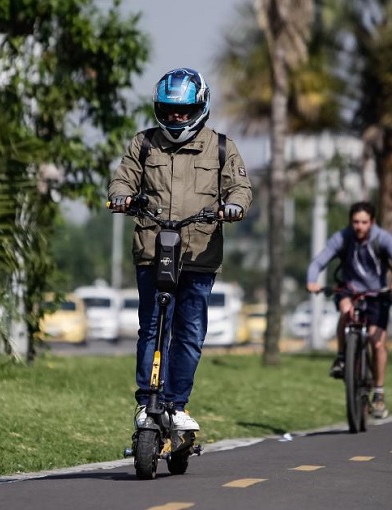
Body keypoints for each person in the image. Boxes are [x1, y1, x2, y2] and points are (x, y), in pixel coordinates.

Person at [108, 68, 253, 432]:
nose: (176, 118)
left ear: (200, 107)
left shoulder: (220, 146)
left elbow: (240, 188)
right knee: (152, 327)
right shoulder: (143, 143)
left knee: (189, 333)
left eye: (184, 111)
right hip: (153, 251)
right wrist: (121, 197)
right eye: (170, 110)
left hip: (199, 256)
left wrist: (233, 206)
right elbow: (122, 179)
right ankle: (147, 403)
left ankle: (176, 405)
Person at [306, 201, 392, 419]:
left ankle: (379, 393)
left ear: (372, 222)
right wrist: (312, 281)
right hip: (351, 290)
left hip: (378, 293)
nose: (359, 226)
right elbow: (319, 261)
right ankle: (343, 357)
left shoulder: (382, 238)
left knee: (378, 342)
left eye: (364, 222)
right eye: (355, 222)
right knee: (346, 311)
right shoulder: (343, 237)